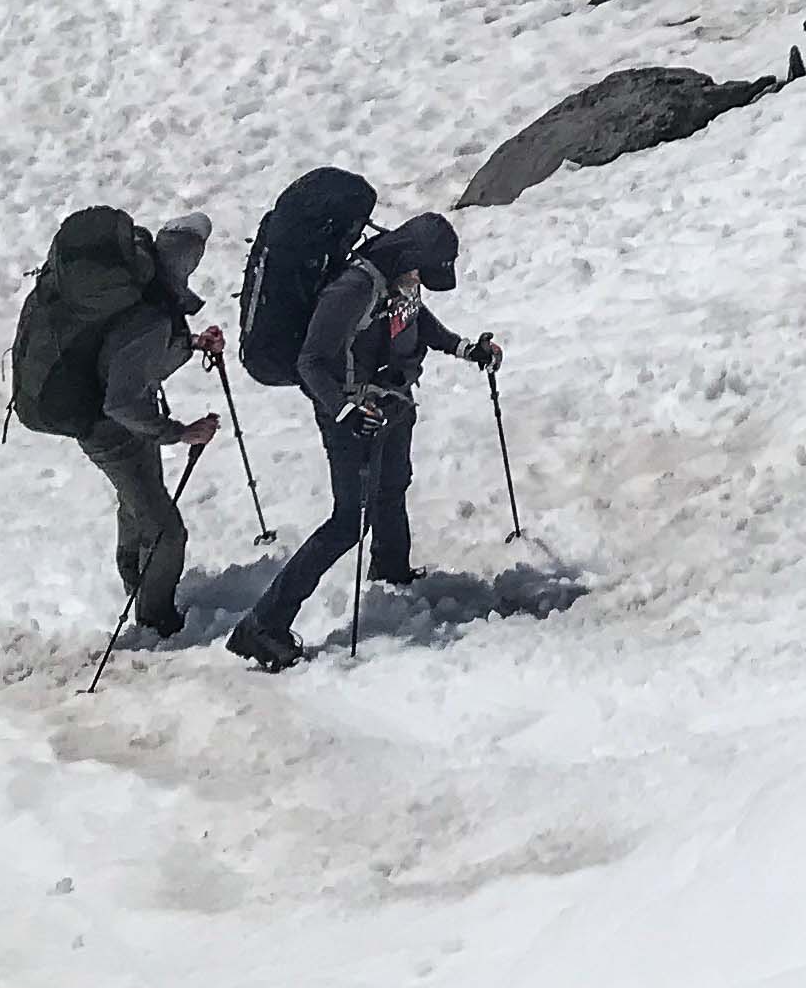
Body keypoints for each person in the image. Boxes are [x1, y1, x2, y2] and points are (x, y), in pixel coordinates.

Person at [229, 211, 498, 672]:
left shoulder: (400, 281)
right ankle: (263, 624)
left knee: (394, 484)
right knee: (347, 520)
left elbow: (416, 320)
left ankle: (391, 570)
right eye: (422, 272)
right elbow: (310, 361)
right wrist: (346, 411)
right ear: (410, 257)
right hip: (350, 412)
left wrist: (463, 348)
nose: (421, 282)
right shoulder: (353, 289)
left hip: (389, 401)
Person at [83, 211, 223, 646]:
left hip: (118, 426)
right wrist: (180, 432)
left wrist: (191, 343)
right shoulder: (151, 316)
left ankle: (136, 581)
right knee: (166, 530)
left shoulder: (145, 295)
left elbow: (135, 362)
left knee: (138, 503)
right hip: (112, 432)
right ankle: (154, 618)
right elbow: (121, 399)